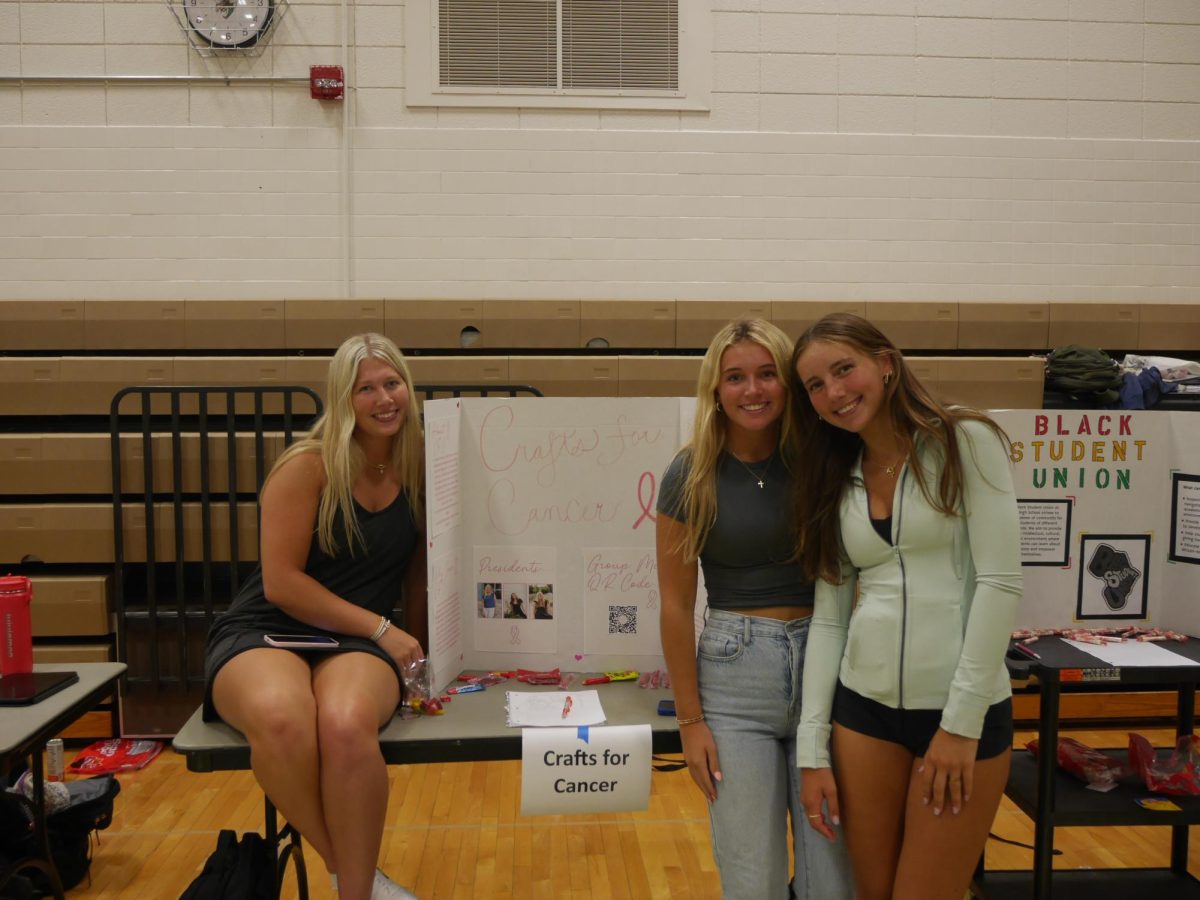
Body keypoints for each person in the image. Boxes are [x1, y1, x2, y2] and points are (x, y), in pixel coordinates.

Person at [790, 313, 1022, 900]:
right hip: (863, 717)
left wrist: (961, 725)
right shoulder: (831, 474)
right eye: (816, 385)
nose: (834, 393)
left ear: (886, 363)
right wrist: (812, 748)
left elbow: (999, 583)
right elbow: (831, 617)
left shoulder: (965, 439)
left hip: (960, 715)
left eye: (845, 370)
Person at [203, 333, 427, 900]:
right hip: (266, 628)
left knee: (347, 722)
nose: (383, 398)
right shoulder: (307, 464)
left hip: (354, 641)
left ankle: (351, 889)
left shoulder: (419, 465)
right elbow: (282, 584)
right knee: (282, 717)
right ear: (342, 398)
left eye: (392, 383)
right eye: (365, 388)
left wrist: (424, 652)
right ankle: (355, 877)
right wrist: (385, 629)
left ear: (408, 388)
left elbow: (420, 575)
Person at [656, 319, 854, 899]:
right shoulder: (689, 473)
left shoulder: (825, 461)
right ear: (715, 389)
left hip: (827, 670)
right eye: (736, 377)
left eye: (768, 374)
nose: (753, 390)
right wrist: (690, 723)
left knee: (833, 882)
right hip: (735, 682)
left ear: (789, 383)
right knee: (753, 881)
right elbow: (674, 604)